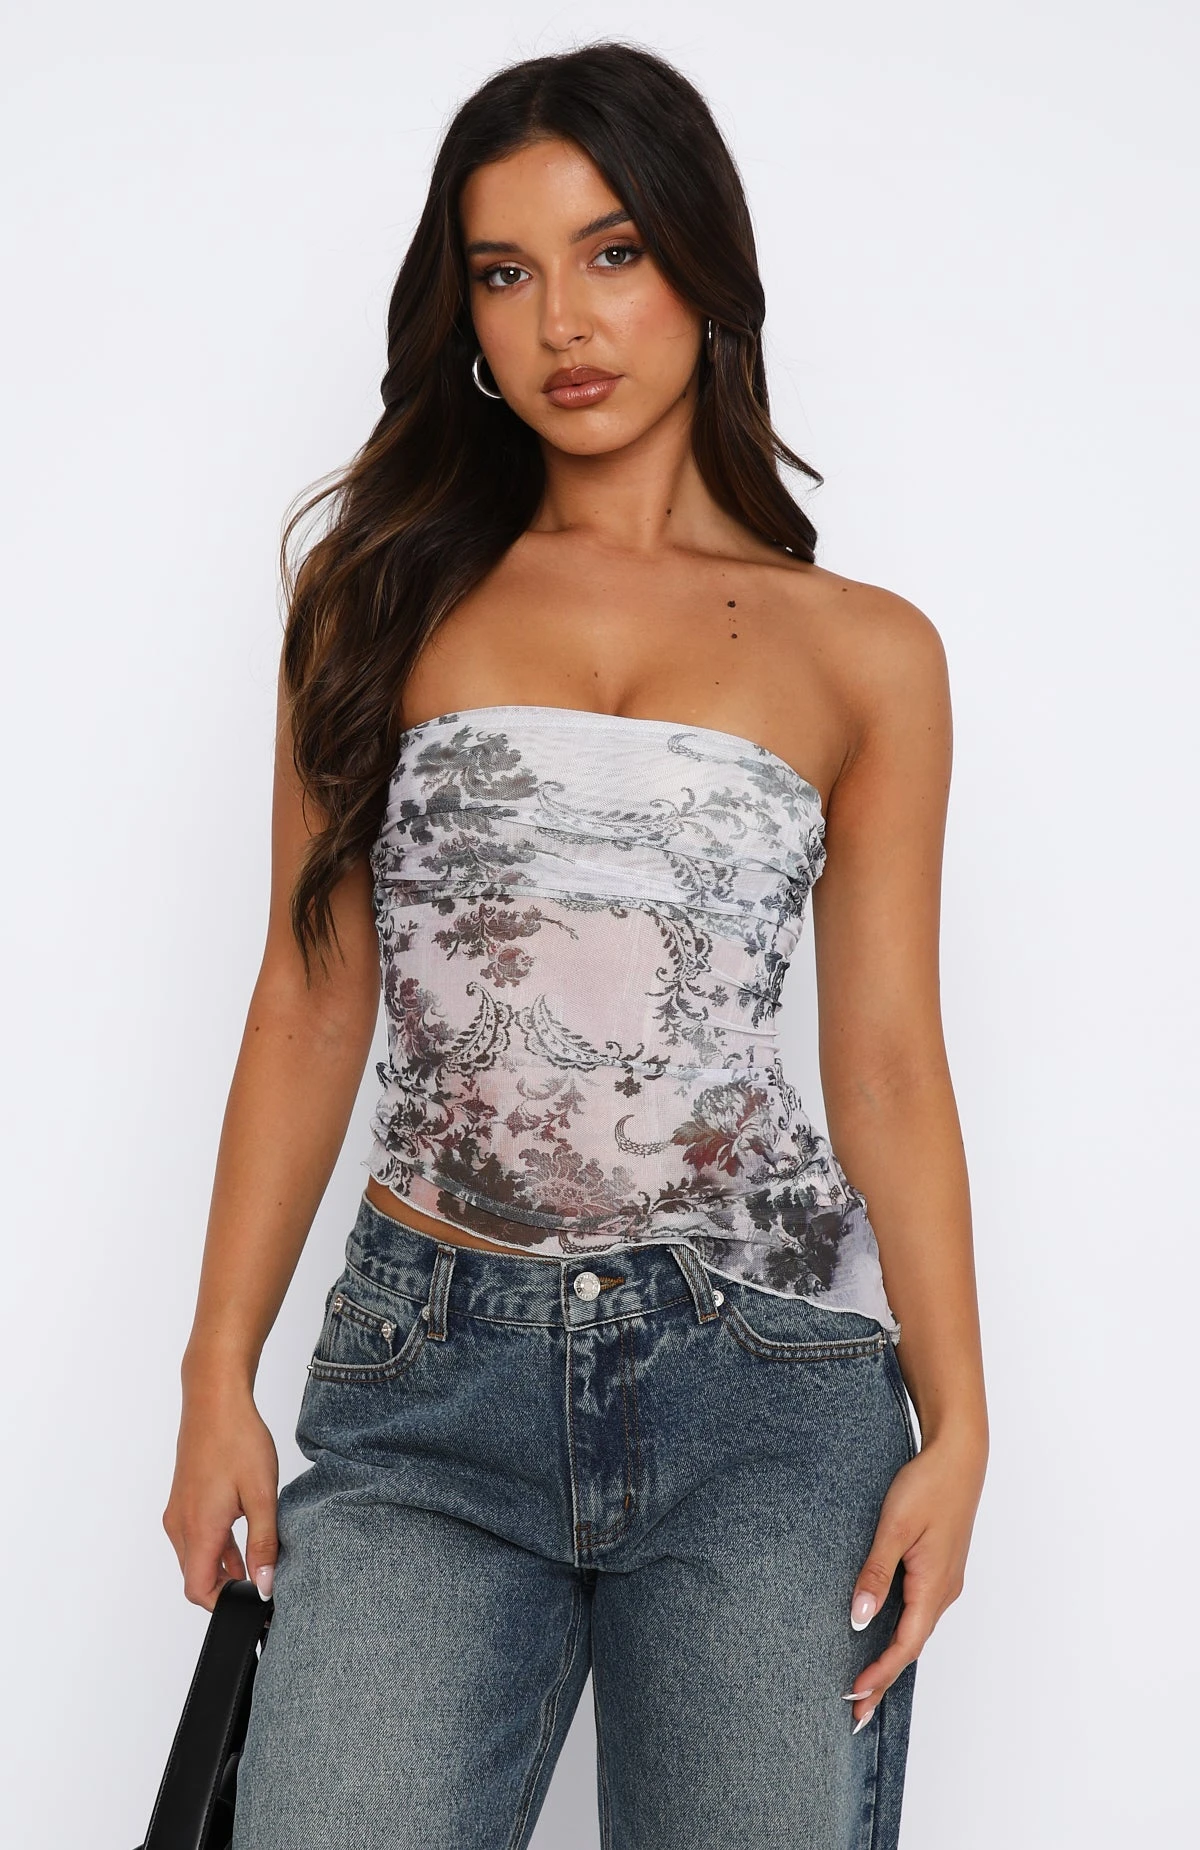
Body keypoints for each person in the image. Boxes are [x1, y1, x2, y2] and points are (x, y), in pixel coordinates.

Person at [163, 39, 988, 1850]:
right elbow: (309, 996)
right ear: (461, 310)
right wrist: (216, 1367)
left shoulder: (866, 651)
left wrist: (962, 1418)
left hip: (766, 1389)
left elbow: (885, 1061)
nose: (564, 321)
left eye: (613, 252)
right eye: (505, 270)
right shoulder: (378, 599)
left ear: (704, 263)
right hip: (428, 1382)